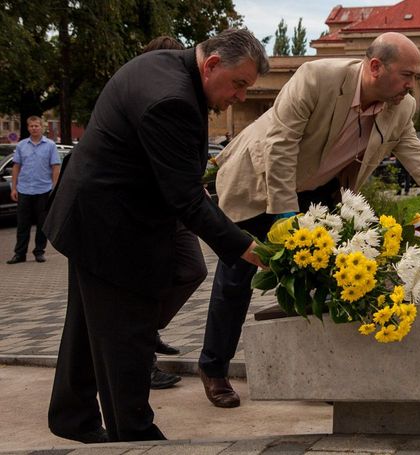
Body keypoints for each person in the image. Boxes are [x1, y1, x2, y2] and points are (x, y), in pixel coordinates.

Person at [199, 32, 420, 409]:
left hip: (317, 190)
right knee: (238, 276)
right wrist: (290, 222)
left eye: (415, 76)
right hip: (258, 181)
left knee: (325, 277)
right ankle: (214, 368)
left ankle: (317, 372)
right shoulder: (316, 78)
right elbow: (280, 148)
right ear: (375, 67)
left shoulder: (402, 106)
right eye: (407, 74)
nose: (412, 85)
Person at [44, 29, 269, 443]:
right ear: (213, 64)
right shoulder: (173, 99)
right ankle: (136, 438)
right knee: (125, 337)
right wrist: (244, 245)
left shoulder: (162, 67)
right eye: (239, 84)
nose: (239, 97)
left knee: (87, 328)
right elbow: (186, 199)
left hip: (94, 218)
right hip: (112, 231)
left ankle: (72, 416)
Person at [139, 34, 186, 390]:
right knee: (145, 286)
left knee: (192, 269)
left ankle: (149, 330)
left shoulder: (181, 96)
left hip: (176, 208)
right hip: (144, 215)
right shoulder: (144, 97)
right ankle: (143, 360)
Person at [6, 116, 61, 265]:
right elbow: (16, 167)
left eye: (36, 126)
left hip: (44, 190)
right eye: (31, 126)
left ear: (41, 127)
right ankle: (19, 254)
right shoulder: (21, 145)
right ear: (28, 127)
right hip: (24, 190)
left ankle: (39, 252)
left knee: (42, 224)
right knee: (22, 224)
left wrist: (54, 188)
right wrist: (14, 188)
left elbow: (55, 167)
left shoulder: (50, 145)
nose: (34, 128)